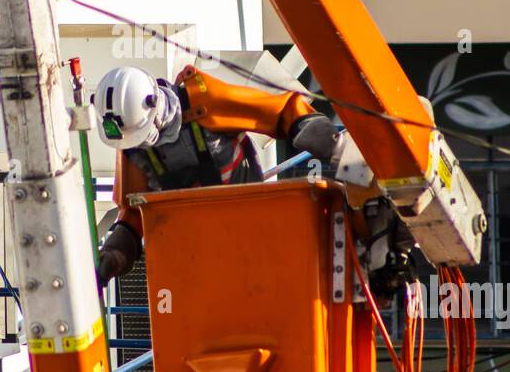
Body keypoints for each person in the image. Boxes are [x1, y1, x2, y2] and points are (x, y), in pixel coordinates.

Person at [93, 64, 338, 285]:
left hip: (255, 235)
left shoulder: (203, 102)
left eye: (142, 136)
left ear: (153, 106)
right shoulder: (132, 148)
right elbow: (133, 213)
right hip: (196, 259)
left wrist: (318, 133)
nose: (143, 144)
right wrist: (115, 252)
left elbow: (281, 111)